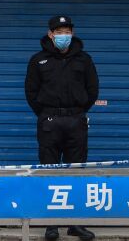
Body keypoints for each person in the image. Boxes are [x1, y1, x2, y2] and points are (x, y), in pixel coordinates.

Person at [24, 15, 99, 241]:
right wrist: (47, 114)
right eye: (59, 32)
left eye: (66, 31)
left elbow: (92, 90)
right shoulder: (38, 60)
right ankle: (51, 224)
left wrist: (77, 111)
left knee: (76, 173)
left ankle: (74, 223)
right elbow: (31, 92)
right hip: (49, 122)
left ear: (72, 34)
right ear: (50, 34)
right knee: (49, 171)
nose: (63, 36)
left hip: (76, 121)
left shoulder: (84, 60)